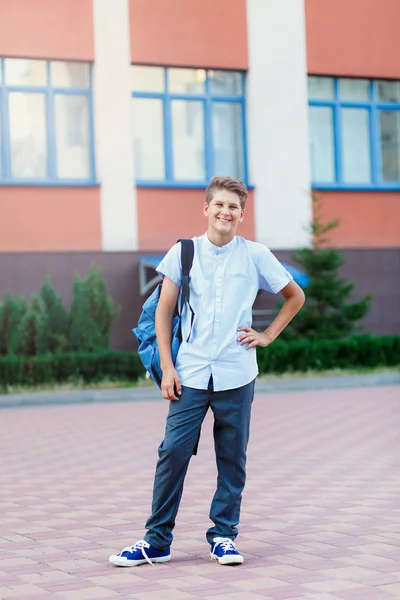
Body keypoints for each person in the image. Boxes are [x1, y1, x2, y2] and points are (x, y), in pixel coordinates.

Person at [109, 176, 305, 568]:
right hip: (191, 373)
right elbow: (164, 311)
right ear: (206, 208)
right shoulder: (184, 253)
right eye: (218, 204)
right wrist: (167, 367)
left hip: (237, 372)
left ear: (242, 214)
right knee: (173, 452)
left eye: (233, 207)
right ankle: (157, 540)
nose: (225, 212)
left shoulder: (256, 255)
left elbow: (295, 296)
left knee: (232, 457)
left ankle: (223, 537)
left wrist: (267, 335)